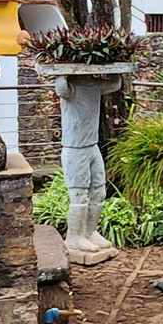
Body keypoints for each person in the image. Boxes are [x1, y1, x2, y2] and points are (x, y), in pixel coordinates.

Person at [54, 73, 120, 254]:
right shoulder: (69, 87)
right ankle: (74, 237)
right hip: (75, 149)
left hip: (92, 145)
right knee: (79, 197)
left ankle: (89, 232)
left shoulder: (95, 85)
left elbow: (115, 83)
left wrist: (116, 62)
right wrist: (63, 66)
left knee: (99, 192)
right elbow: (60, 86)